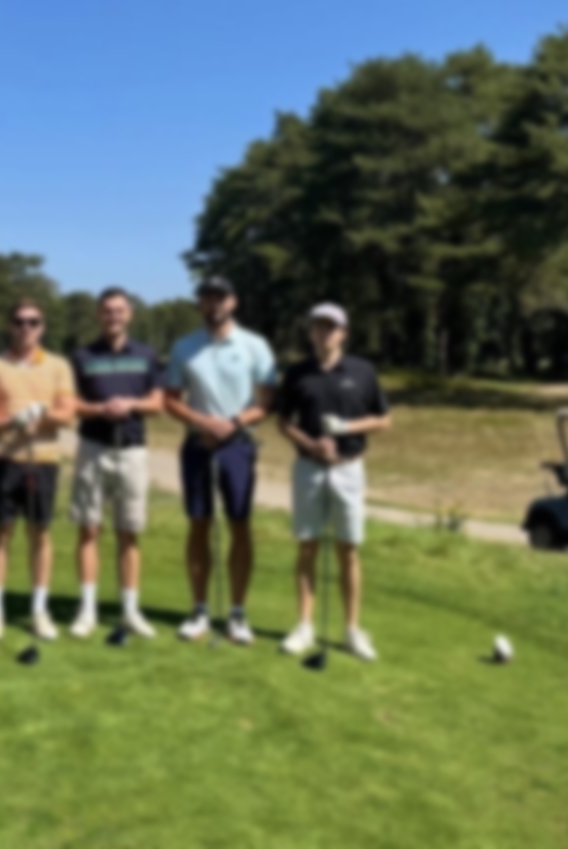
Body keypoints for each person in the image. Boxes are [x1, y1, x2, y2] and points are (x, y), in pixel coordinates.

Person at [163, 275, 277, 644]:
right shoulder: (184, 346)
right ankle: (199, 609)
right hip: (197, 444)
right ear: (200, 303)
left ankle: (237, 613)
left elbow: (267, 402)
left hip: (238, 445)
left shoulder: (254, 345)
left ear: (233, 302)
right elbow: (170, 400)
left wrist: (232, 423)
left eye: (220, 297)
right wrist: (203, 422)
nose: (214, 304)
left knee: (239, 524)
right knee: (199, 523)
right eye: (207, 297)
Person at [276, 303, 392, 662]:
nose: (324, 333)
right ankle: (304, 626)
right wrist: (310, 444)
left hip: (348, 468)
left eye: (331, 327)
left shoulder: (362, 370)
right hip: (308, 467)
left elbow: (383, 420)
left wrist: (345, 427)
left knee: (348, 549)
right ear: (311, 332)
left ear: (343, 333)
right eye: (318, 326)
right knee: (307, 546)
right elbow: (283, 422)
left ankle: (353, 629)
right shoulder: (298, 372)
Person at [0, 298, 77, 641]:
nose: (26, 328)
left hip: (43, 460)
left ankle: (39, 610)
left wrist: (41, 416)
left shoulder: (58, 365)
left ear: (42, 327)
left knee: (40, 533)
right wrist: (11, 422)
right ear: (10, 325)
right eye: (19, 321)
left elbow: (67, 413)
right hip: (4, 459)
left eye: (33, 322)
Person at [67, 287, 165, 639]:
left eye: (119, 310)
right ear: (98, 315)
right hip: (93, 447)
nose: (113, 317)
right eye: (107, 311)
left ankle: (130, 610)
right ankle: (87, 609)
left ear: (130, 314)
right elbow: (71, 404)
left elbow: (157, 403)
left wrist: (130, 405)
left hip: (132, 450)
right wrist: (100, 409)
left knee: (129, 531)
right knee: (88, 529)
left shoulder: (146, 354)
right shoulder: (82, 356)